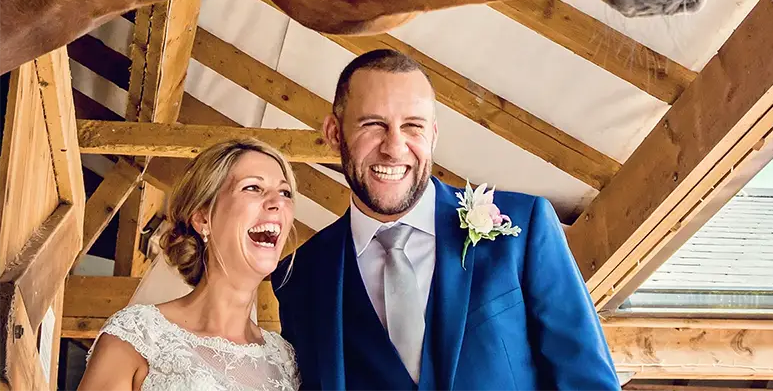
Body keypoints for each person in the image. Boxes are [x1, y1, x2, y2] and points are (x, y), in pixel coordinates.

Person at [273, 49, 621, 390]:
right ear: (335, 133)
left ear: (434, 135)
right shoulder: (300, 277)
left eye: (413, 126)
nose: (394, 147)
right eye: (373, 125)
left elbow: (588, 380)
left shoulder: (524, 228)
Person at [79, 138, 301, 391]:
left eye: (285, 193)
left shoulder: (285, 360)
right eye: (252, 187)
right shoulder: (139, 335)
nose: (278, 202)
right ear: (202, 218)